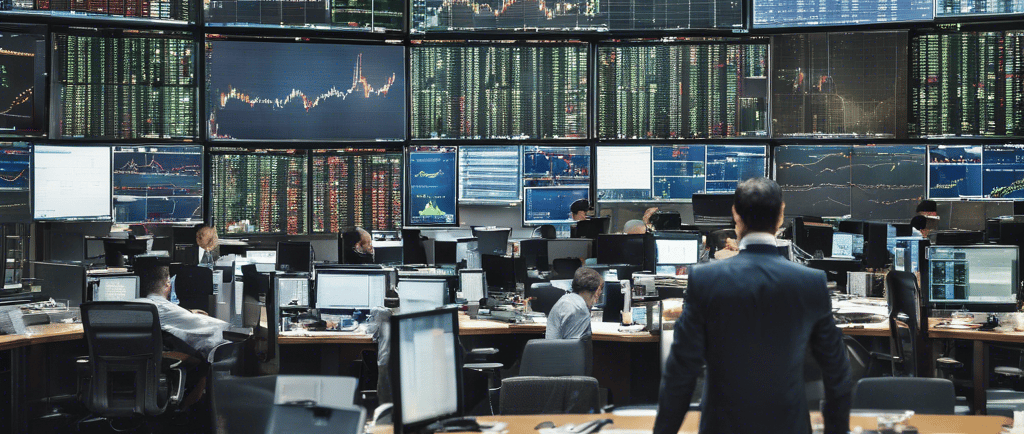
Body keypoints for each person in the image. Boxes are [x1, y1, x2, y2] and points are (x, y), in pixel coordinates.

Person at [654, 178, 851, 434]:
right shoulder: (810, 282)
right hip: (789, 426)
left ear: (735, 214)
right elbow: (837, 370)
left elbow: (681, 371)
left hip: (722, 427)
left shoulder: (705, 280)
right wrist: (836, 429)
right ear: (781, 215)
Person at [136, 265, 231, 361]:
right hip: (168, 360)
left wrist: (187, 312)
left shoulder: (134, 305)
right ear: (168, 283)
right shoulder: (165, 309)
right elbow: (215, 328)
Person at [545, 267, 603, 340]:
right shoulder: (579, 309)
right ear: (597, 291)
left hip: (553, 350)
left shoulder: (566, 300)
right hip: (561, 351)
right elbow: (574, 349)